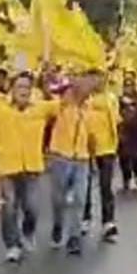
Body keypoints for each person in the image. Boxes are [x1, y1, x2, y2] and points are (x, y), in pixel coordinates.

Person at [0, 72, 57, 263]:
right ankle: (12, 245)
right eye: (19, 87)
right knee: (9, 208)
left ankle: (28, 232)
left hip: (32, 167)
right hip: (7, 168)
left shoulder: (41, 108)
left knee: (32, 207)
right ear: (11, 90)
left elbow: (66, 104)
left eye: (27, 87)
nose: (23, 91)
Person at [47, 75, 94, 255]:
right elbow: (50, 95)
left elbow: (91, 135)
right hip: (61, 157)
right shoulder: (61, 106)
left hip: (81, 159)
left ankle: (74, 237)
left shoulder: (89, 109)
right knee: (58, 199)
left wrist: (92, 156)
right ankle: (58, 224)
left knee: (80, 198)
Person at [82, 69, 120, 242]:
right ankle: (85, 217)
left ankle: (108, 222)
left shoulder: (110, 98)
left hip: (106, 148)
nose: (97, 82)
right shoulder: (83, 98)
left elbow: (115, 120)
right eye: (93, 78)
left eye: (100, 78)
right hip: (84, 147)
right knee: (85, 185)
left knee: (106, 185)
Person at [118, 75, 137, 191]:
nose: (128, 88)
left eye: (130, 86)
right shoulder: (119, 100)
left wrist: (134, 104)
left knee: (136, 157)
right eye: (126, 86)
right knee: (123, 157)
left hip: (136, 132)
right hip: (123, 131)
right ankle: (126, 178)